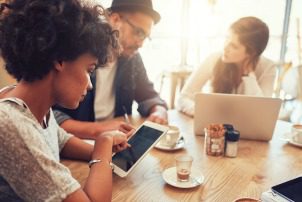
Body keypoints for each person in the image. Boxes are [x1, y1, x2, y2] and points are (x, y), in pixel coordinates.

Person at [0, 0, 134, 201]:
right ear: (60, 60)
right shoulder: (10, 123)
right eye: (89, 70)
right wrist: (103, 146)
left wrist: (102, 148)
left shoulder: (32, 105)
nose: (89, 85)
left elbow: (60, 140)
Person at [53, 0, 168, 139]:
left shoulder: (132, 58)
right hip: (75, 145)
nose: (141, 43)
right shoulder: (79, 51)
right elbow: (50, 115)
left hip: (115, 140)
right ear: (115, 19)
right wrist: (99, 129)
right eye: (138, 32)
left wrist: (159, 110)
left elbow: (149, 95)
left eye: (145, 37)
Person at [177, 16, 276, 116]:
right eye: (227, 39)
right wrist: (202, 112)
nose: (225, 47)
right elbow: (183, 97)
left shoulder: (267, 67)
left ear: (251, 53)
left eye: (234, 46)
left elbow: (262, 112)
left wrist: (248, 75)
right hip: (215, 126)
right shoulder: (214, 59)